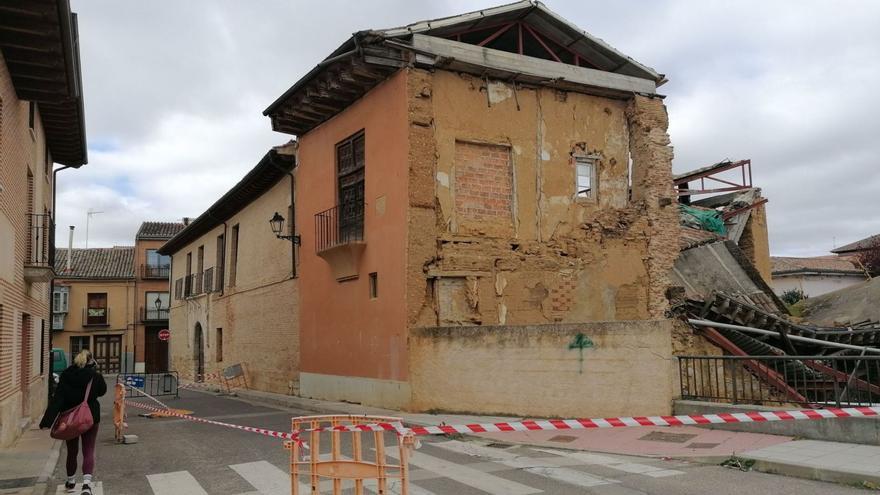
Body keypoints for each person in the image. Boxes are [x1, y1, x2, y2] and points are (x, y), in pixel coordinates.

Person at [40, 350, 107, 494]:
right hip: (90, 418)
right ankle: (87, 485)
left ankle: (71, 481)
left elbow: (58, 399)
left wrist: (47, 421)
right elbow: (102, 391)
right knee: (88, 450)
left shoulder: (66, 376)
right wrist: (95, 371)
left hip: (70, 419)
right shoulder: (95, 376)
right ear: (91, 361)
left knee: (72, 451)